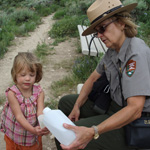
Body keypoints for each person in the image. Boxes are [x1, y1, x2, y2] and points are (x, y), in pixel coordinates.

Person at [55, 0, 150, 150]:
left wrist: (94, 131)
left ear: (121, 23)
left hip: (131, 124)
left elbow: (135, 110)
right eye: (96, 31)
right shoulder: (113, 50)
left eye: (102, 28)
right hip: (112, 104)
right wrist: (77, 106)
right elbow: (93, 78)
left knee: (67, 137)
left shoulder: (135, 54)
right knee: (65, 103)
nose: (99, 35)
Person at [0, 52, 49, 150]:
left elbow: (40, 112)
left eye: (31, 75)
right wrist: (33, 130)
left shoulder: (39, 92)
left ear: (37, 75)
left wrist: (44, 125)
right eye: (23, 75)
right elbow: (19, 116)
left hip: (31, 136)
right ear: (15, 74)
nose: (27, 78)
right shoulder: (12, 93)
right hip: (16, 133)